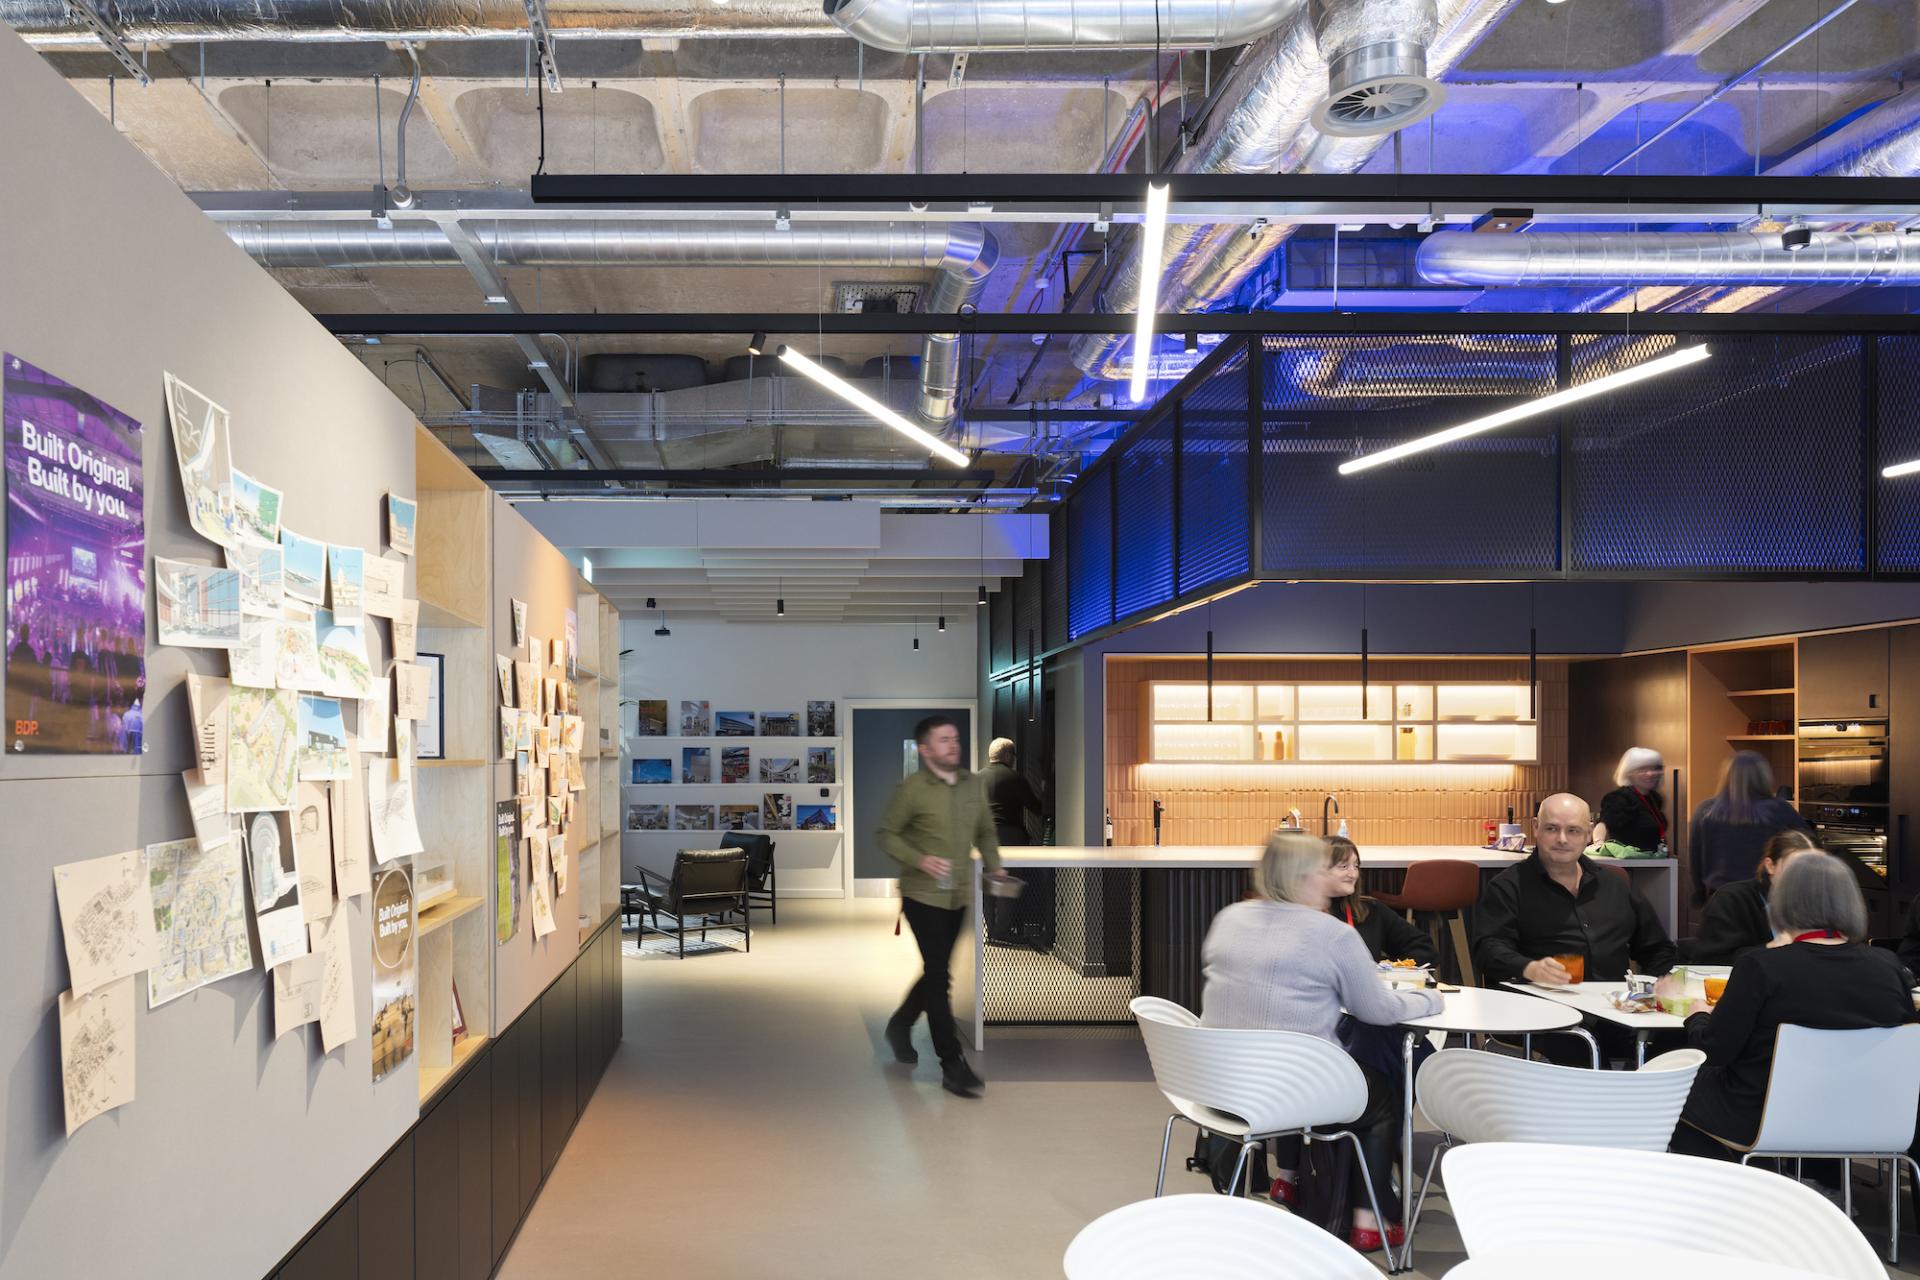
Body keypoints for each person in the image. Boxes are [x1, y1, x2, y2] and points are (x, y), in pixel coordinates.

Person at [1200, 831, 1442, 1253]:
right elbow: (1376, 1010)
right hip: (1296, 1090)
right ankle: (1369, 1219)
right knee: (1382, 1096)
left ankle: (1292, 1178)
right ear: (1305, 876)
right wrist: (1430, 999)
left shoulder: (1229, 919)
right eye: (1323, 869)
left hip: (1220, 1086)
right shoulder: (1333, 934)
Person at [1670, 852, 1915, 1175]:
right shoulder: (1888, 967)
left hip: (1762, 1117)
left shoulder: (1762, 967)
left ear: (1783, 902)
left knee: (1670, 1090)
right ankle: (1810, 1186)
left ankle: (1741, 1188)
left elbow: (1715, 1051)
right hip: (1870, 1116)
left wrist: (1697, 1016)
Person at [1473, 793, 1677, 1065]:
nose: (1562, 839)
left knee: (1682, 1039)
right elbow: (1488, 949)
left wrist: (1657, 985)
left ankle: (1638, 1088)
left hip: (1616, 1011)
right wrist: (1529, 968)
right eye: (1551, 829)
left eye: (1573, 830)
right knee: (1581, 1048)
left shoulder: (1614, 885)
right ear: (1535, 828)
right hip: (1544, 1014)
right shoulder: (1508, 887)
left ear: (1589, 833)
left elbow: (1657, 948)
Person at [877, 715, 1008, 1099]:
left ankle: (900, 1024)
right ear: (925, 749)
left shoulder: (972, 784)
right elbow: (886, 834)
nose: (953, 744)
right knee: (940, 976)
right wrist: (919, 859)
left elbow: (985, 829)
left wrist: (994, 863)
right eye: (943, 739)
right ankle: (952, 1064)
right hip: (922, 895)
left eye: (955, 738)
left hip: (958, 895)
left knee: (936, 972)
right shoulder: (913, 789)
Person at [1688, 751, 1811, 905]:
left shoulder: (1705, 810)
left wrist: (1699, 894)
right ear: (1764, 777)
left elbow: (1695, 856)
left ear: (1727, 776)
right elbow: (1809, 845)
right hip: (1767, 897)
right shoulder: (1779, 809)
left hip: (1720, 897)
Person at [1689, 829, 1816, 965]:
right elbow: (1712, 961)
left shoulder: (1817, 903)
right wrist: (1770, 948)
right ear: (1770, 866)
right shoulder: (1732, 900)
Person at [979, 737, 1048, 947]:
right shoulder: (1015, 778)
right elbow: (1035, 807)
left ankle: (991, 930)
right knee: (1007, 882)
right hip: (1009, 835)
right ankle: (1002, 931)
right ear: (1008, 756)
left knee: (989, 882)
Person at [1591, 747, 1668, 855]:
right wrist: (1598, 844)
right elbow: (1604, 824)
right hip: (1628, 861)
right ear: (1629, 773)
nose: (1650, 774)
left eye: (1655, 768)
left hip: (1654, 859)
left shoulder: (1655, 798)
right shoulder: (1619, 798)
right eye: (1642, 769)